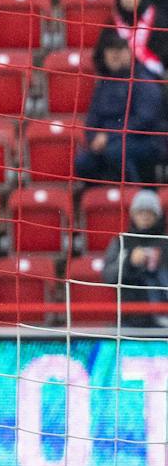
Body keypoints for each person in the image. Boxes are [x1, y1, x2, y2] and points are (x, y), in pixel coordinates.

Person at [77, 28, 166, 185]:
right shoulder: (103, 83)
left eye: (119, 49)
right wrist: (94, 139)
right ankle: (100, 201)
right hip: (110, 142)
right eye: (110, 50)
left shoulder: (143, 79)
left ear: (129, 52)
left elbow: (145, 119)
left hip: (144, 141)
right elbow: (92, 119)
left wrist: (110, 136)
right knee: (84, 162)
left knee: (115, 152)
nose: (115, 54)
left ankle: (134, 193)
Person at [102, 188, 168, 328]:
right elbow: (108, 276)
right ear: (133, 214)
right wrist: (129, 262)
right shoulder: (121, 242)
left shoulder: (165, 242)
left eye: (149, 212)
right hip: (129, 319)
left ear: (158, 215)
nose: (144, 216)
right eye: (140, 211)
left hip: (163, 320)